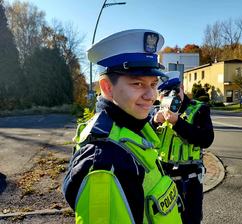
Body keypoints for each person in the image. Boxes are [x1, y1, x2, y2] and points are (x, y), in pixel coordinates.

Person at [63, 29, 182, 224]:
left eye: (153, 84)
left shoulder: (133, 129)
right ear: (107, 88)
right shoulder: (106, 162)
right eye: (137, 83)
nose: (151, 95)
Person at [152, 71, 214, 224]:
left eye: (175, 90)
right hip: (163, 179)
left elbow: (206, 139)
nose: (173, 96)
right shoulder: (155, 112)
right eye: (165, 93)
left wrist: (177, 123)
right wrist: (153, 123)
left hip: (190, 181)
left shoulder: (199, 110)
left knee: (190, 220)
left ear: (182, 87)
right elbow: (142, 139)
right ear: (159, 96)